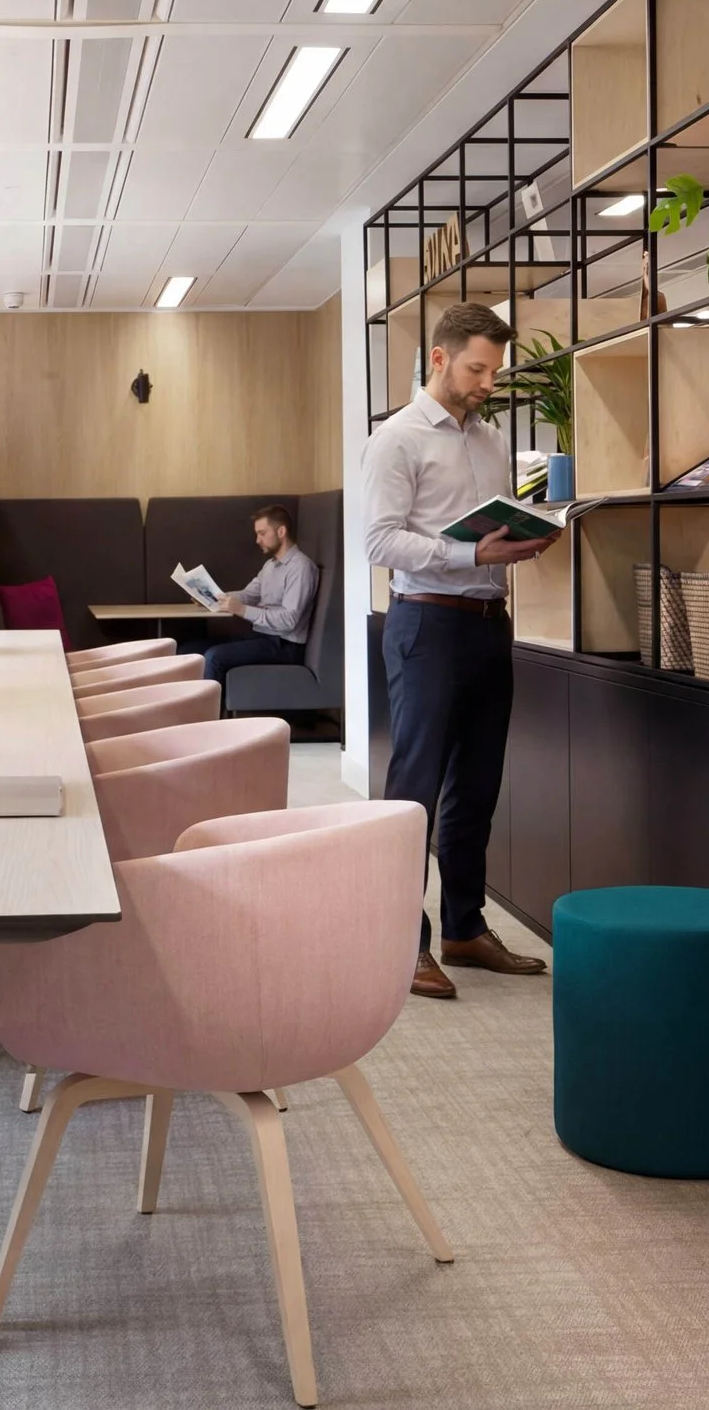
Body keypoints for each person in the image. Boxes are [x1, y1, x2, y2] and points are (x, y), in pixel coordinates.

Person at [362, 302, 560, 1001]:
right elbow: (380, 542)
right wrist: (469, 549)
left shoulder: (491, 438)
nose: (487, 382)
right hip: (426, 625)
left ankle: (464, 927)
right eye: (477, 368)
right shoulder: (397, 440)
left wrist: (523, 539)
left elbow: (490, 527)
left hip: (487, 622)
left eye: (494, 371)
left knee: (477, 783)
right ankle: (400, 941)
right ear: (440, 359)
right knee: (414, 788)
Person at [201, 504, 319, 683]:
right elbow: (248, 595)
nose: (257, 540)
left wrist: (242, 610)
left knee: (214, 657)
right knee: (193, 648)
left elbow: (289, 620)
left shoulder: (301, 568)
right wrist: (213, 597)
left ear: (281, 532)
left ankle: (211, 712)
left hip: (284, 645)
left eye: (262, 533)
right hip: (262, 637)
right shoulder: (270, 566)